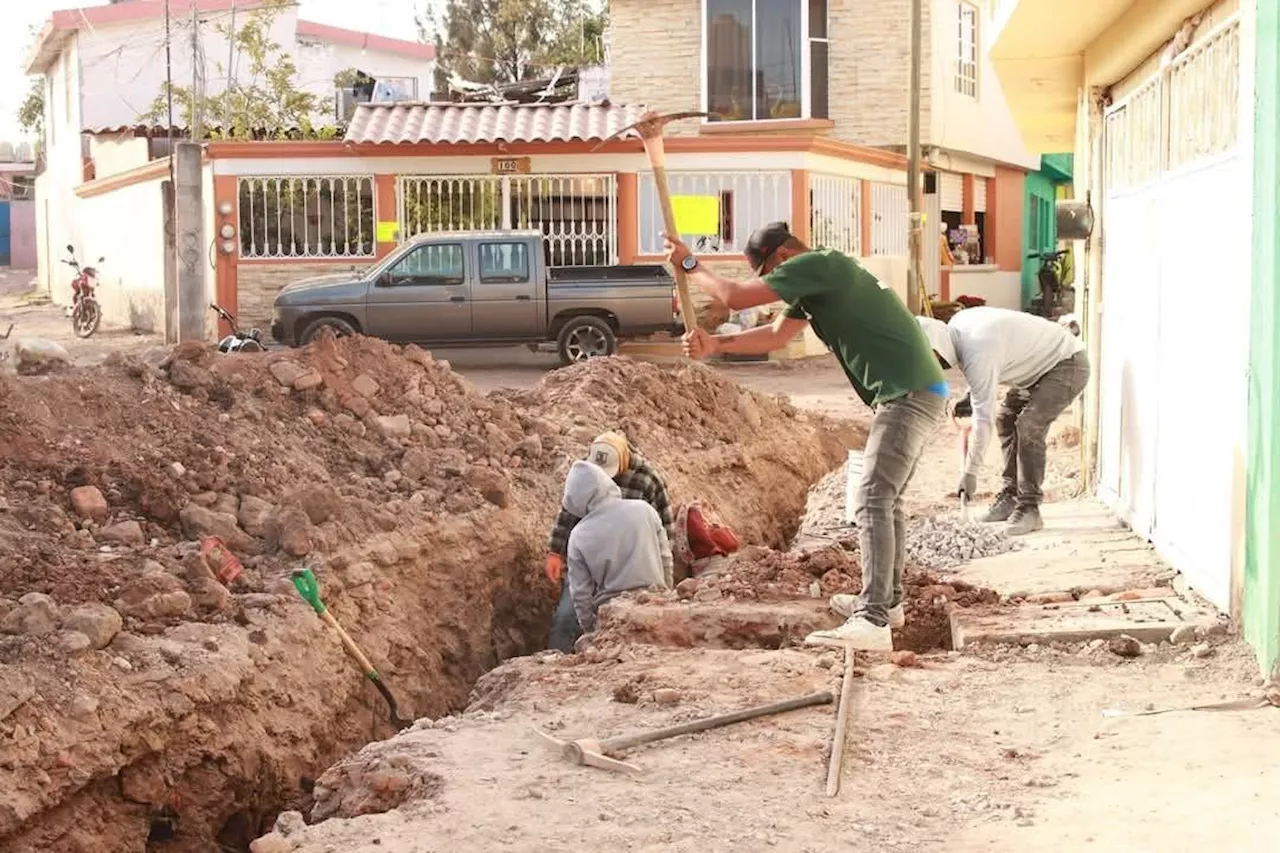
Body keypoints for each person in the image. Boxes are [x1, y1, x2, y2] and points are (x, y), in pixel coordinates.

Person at [666, 221, 948, 651]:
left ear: (780, 258)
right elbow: (777, 335)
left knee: (873, 498)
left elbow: (735, 297)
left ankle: (872, 620)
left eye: (769, 275)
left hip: (906, 392)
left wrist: (689, 263)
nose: (771, 285)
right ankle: (887, 603)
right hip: (913, 389)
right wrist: (717, 347)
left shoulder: (820, 264)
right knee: (885, 500)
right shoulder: (819, 283)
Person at [916, 306, 1090, 535]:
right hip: (1036, 368)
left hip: (1067, 364)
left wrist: (970, 473)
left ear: (936, 349)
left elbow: (982, 420)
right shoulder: (959, 325)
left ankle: (1030, 508)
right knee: (1006, 419)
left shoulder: (977, 349)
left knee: (1028, 426)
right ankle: (1011, 496)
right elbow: (993, 356)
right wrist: (970, 395)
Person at [545, 431, 674, 651]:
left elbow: (666, 538)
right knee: (566, 619)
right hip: (598, 567)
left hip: (635, 582)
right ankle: (555, 662)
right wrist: (556, 552)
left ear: (623, 460)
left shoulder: (647, 481)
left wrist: (592, 633)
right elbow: (567, 514)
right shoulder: (586, 475)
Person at [561, 460, 672, 637]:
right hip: (656, 602)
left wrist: (591, 630)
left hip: (614, 616)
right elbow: (666, 557)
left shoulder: (579, 535)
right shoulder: (644, 510)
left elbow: (581, 594)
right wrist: (667, 594)